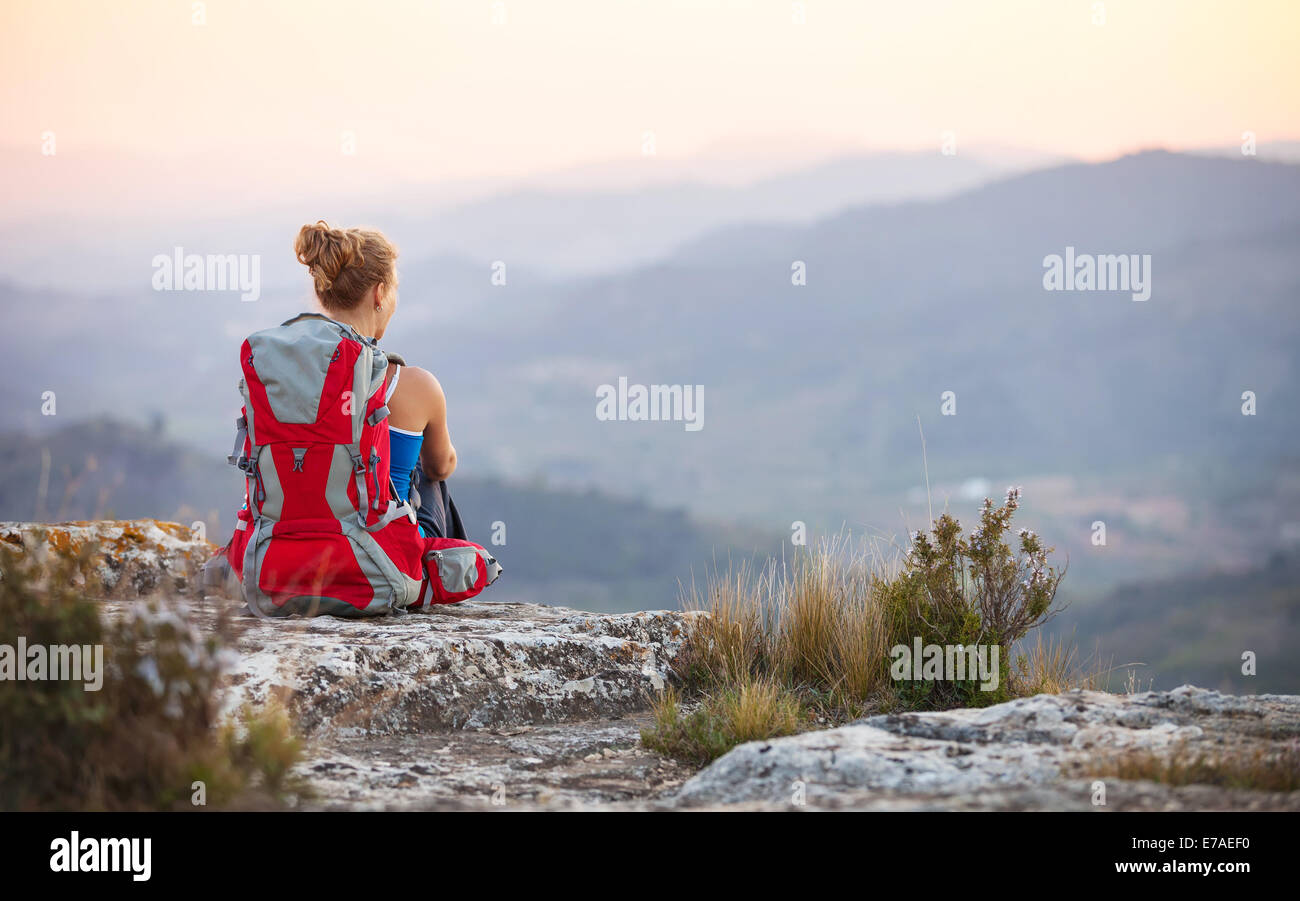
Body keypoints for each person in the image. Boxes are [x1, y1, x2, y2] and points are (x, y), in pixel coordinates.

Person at [293, 220, 465, 540]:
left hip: (301, 543)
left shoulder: (288, 374)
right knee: (427, 472)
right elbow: (441, 467)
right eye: (394, 290)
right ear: (380, 294)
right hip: (385, 559)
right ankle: (446, 578)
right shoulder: (415, 385)